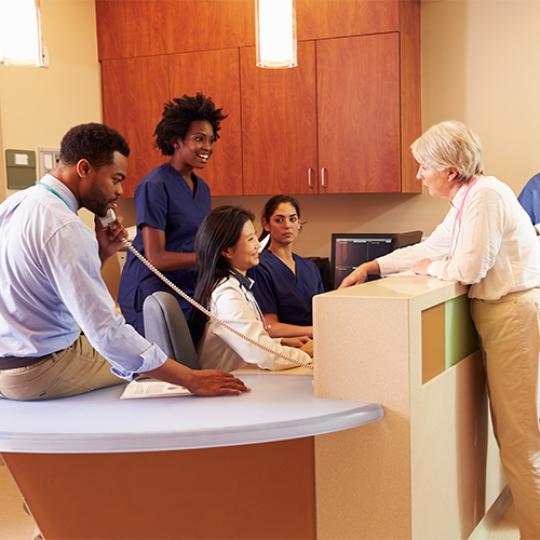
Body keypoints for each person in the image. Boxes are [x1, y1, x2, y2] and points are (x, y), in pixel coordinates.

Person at [340, 121, 540, 539]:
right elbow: (434, 246)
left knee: (521, 441)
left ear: (449, 170)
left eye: (424, 167)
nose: (419, 175)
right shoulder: (468, 199)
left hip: (512, 315)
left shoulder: (485, 196)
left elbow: (467, 267)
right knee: (517, 437)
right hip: (501, 315)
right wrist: (374, 265)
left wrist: (428, 268)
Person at [0, 123, 248, 401]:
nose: (119, 190)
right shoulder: (66, 227)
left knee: (141, 357)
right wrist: (190, 379)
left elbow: (50, 288)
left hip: (8, 365)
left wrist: (103, 251)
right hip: (42, 370)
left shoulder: (16, 204)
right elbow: (106, 331)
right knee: (142, 368)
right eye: (115, 179)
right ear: (84, 169)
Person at [118, 93, 225, 335]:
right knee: (162, 369)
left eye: (210, 139)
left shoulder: (203, 189)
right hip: (150, 292)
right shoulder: (154, 185)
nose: (207, 147)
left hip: (185, 289)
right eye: (199, 139)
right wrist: (210, 259)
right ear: (177, 141)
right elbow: (156, 258)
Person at [190, 206, 312, 372]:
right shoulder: (227, 296)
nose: (258, 245)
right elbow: (264, 355)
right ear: (227, 251)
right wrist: (305, 355)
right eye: (250, 239)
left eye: (255, 236)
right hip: (233, 384)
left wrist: (281, 342)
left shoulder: (235, 285)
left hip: (245, 375)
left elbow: (248, 341)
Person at [248, 195, 324, 338]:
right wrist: (315, 331)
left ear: (299, 223)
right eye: (279, 220)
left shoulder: (310, 267)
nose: (287, 225)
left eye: (292, 219)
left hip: (317, 341)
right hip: (286, 346)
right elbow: (271, 328)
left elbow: (322, 313)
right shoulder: (260, 267)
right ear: (266, 224)